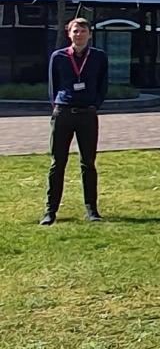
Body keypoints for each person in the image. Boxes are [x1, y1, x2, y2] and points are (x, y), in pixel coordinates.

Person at [41, 16, 108, 225]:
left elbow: (102, 84)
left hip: (87, 114)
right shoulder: (59, 56)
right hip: (63, 113)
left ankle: (91, 210)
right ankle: (50, 212)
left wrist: (94, 105)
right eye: (75, 31)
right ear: (69, 33)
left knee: (88, 163)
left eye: (83, 31)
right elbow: (53, 85)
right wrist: (57, 107)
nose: (79, 35)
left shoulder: (98, 57)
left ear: (89, 34)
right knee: (57, 163)